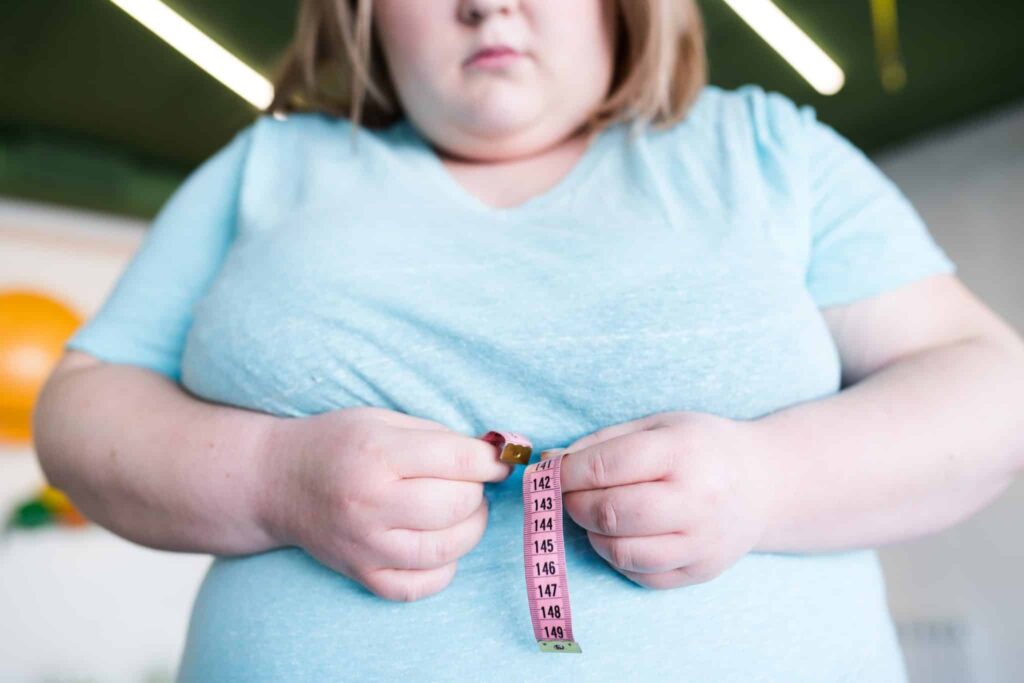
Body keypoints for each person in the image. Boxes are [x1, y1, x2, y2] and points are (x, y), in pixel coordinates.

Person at [32, 0, 1024, 680]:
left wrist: (768, 478)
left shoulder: (770, 150)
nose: (487, 2)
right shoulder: (267, 166)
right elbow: (82, 404)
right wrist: (272, 476)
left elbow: (986, 385)